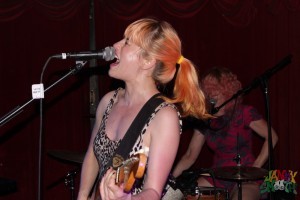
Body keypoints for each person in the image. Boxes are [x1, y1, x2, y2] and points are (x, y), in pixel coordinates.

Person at [77, 18, 210, 200]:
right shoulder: (108, 101)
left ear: (147, 61)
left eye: (127, 42)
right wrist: (83, 196)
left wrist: (126, 198)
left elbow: (153, 191)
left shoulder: (164, 116)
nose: (115, 45)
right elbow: (92, 156)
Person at [172, 67, 278, 200]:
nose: (212, 99)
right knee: (188, 196)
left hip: (246, 177)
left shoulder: (244, 113)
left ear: (228, 93)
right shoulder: (206, 120)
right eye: (209, 95)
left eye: (216, 94)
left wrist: (254, 169)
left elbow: (272, 137)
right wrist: (170, 181)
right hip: (218, 176)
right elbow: (189, 156)